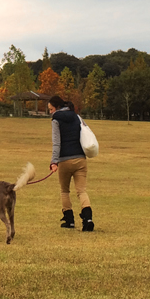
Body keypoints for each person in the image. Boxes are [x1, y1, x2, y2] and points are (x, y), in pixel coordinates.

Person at [47, 95, 94, 231]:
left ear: (57, 107)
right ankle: (88, 219)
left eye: (51, 109)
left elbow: (57, 143)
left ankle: (69, 220)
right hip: (80, 158)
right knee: (81, 191)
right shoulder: (76, 116)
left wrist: (54, 161)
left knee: (64, 191)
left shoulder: (56, 119)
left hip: (65, 160)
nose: (50, 112)